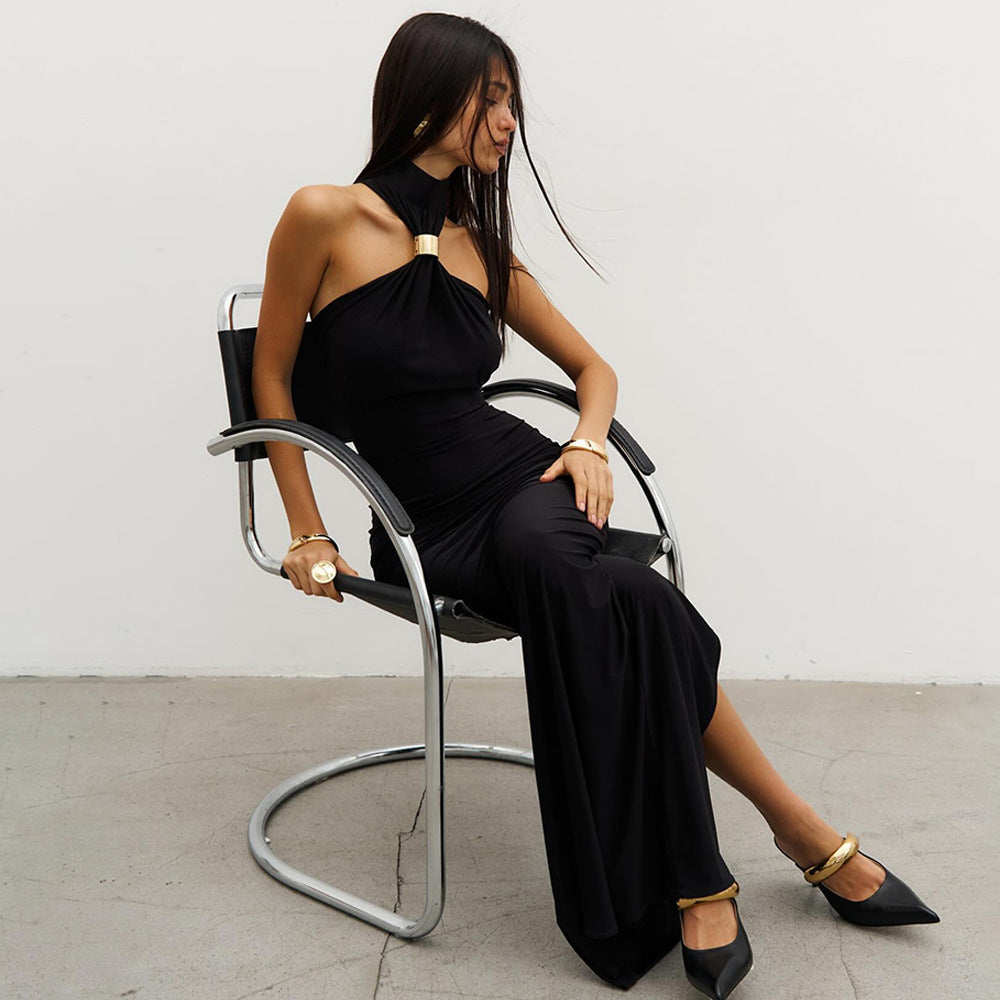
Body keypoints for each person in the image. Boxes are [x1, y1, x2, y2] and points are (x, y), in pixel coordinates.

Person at [249, 13, 940, 998]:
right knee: (637, 600)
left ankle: (708, 881)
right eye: (492, 97)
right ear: (428, 93)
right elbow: (272, 381)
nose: (509, 121)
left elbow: (593, 369)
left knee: (552, 557)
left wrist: (584, 440)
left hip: (526, 480)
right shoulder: (323, 214)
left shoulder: (484, 248)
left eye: (511, 101)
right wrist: (306, 528)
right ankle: (796, 833)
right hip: (417, 521)